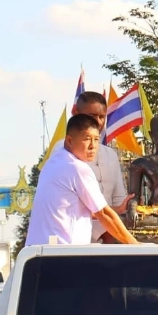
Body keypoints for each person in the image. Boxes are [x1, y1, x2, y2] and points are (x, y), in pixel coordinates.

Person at [25, 114, 138, 247]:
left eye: (96, 139)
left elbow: (76, 209)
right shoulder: (78, 168)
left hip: (36, 251)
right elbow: (103, 214)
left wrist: (118, 209)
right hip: (63, 252)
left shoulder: (51, 164)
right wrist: (135, 245)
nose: (93, 146)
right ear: (69, 141)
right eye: (87, 139)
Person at [49, 91, 134, 242]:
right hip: (70, 240)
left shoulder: (111, 155)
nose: (98, 122)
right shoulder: (63, 153)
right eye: (92, 116)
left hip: (108, 238)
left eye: (102, 117)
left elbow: (119, 202)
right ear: (76, 113)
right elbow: (97, 211)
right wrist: (133, 244)